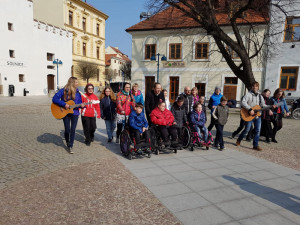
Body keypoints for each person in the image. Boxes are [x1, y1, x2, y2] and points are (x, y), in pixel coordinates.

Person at [52, 77, 84, 154]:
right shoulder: (64, 90)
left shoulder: (78, 92)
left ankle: (70, 146)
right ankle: (67, 141)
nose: (77, 84)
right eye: (76, 82)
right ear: (72, 83)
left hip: (75, 113)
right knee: (67, 130)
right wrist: (64, 104)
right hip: (65, 112)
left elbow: (79, 103)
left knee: (73, 130)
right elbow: (54, 99)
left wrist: (82, 105)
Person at [236, 82, 268, 151]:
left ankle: (255, 145)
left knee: (257, 130)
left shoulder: (260, 96)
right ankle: (239, 139)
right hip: (249, 115)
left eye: (256, 86)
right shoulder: (248, 95)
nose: (255, 87)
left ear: (258, 87)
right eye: (253, 86)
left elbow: (263, 105)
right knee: (247, 130)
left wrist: (270, 107)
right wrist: (250, 109)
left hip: (257, 116)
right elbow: (243, 102)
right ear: (251, 87)